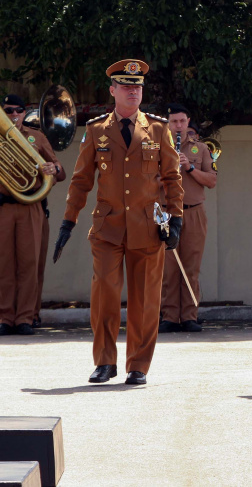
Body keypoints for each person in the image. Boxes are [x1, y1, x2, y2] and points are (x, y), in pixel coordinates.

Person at [54, 59, 183, 385]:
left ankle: (138, 365)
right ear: (112, 90)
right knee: (105, 296)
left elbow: (171, 178)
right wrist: (68, 221)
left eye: (137, 86)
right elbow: (82, 181)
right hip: (108, 227)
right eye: (125, 86)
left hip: (148, 226)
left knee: (144, 300)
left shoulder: (157, 128)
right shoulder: (97, 130)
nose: (132, 91)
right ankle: (105, 362)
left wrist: (175, 219)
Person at [0, 94, 65, 336]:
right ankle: (5, 317)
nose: (13, 115)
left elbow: (60, 171)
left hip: (30, 207)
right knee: (4, 265)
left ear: (24, 113)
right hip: (3, 207)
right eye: (8, 111)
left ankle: (25, 317)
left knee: (29, 264)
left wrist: (52, 168)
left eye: (18, 111)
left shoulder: (36, 137)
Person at [158, 103, 217, 333]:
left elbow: (211, 181)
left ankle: (190, 316)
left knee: (191, 266)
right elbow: (148, 183)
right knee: (168, 267)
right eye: (174, 122)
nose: (179, 126)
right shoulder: (157, 148)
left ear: (188, 121)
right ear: (168, 124)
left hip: (194, 212)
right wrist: (169, 170)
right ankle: (170, 316)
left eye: (182, 121)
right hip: (166, 212)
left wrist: (189, 168)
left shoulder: (201, 149)